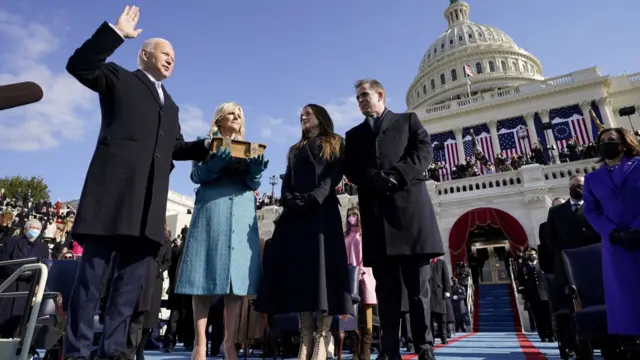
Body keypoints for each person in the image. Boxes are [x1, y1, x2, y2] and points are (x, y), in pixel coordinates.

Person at [63, 6, 210, 360]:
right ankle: (78, 350)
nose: (171, 59)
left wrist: (207, 145)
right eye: (165, 53)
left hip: (147, 206)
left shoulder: (171, 105)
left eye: (175, 56)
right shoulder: (118, 78)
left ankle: (113, 351)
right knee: (91, 281)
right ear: (145, 54)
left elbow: (174, 147)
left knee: (128, 287)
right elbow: (79, 65)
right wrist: (115, 33)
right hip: (111, 197)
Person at [344, 79, 444, 360]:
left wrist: (398, 175)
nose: (361, 100)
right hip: (378, 220)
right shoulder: (353, 135)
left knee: (418, 291)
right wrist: (373, 178)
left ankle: (424, 346)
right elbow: (351, 167)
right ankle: (389, 349)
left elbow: (423, 152)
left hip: (411, 216)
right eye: (358, 98)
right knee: (387, 293)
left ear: (380, 95)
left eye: (365, 95)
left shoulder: (408, 121)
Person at [257, 104, 352, 360]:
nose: (302, 117)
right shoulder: (294, 150)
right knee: (300, 277)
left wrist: (314, 198)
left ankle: (323, 335)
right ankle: (306, 335)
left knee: (324, 274)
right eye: (301, 114)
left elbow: (333, 176)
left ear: (320, 117)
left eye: (307, 113)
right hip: (296, 217)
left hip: (322, 214)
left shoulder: (335, 142)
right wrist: (288, 199)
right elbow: (287, 178)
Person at [174, 102, 268, 360]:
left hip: (241, 215)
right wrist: (213, 165)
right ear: (219, 119)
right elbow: (196, 176)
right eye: (231, 113)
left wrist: (256, 173)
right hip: (212, 211)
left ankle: (229, 342)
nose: (236, 117)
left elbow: (252, 183)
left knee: (237, 282)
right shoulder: (205, 144)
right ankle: (200, 342)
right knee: (202, 276)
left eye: (239, 114)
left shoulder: (249, 148)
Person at [583, 127, 640, 337]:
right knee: (625, 295)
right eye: (603, 140)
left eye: (612, 139)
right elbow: (591, 211)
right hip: (616, 244)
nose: (606, 142)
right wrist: (613, 232)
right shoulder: (592, 179)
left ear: (624, 144)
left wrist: (636, 229)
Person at [0, 219, 49, 338]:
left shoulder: (43, 247)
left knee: (19, 320)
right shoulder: (11, 242)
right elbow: (4, 262)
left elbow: (44, 266)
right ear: (25, 229)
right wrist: (21, 273)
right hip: (9, 284)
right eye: (32, 227)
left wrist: (34, 280)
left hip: (28, 287)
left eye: (37, 229)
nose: (34, 230)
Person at [344, 206, 376, 360]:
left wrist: (361, 271)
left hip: (365, 277)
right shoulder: (345, 236)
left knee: (367, 316)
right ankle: (356, 351)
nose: (352, 218)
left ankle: (366, 350)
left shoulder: (364, 235)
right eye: (350, 215)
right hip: (351, 279)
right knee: (353, 317)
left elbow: (367, 257)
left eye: (354, 215)